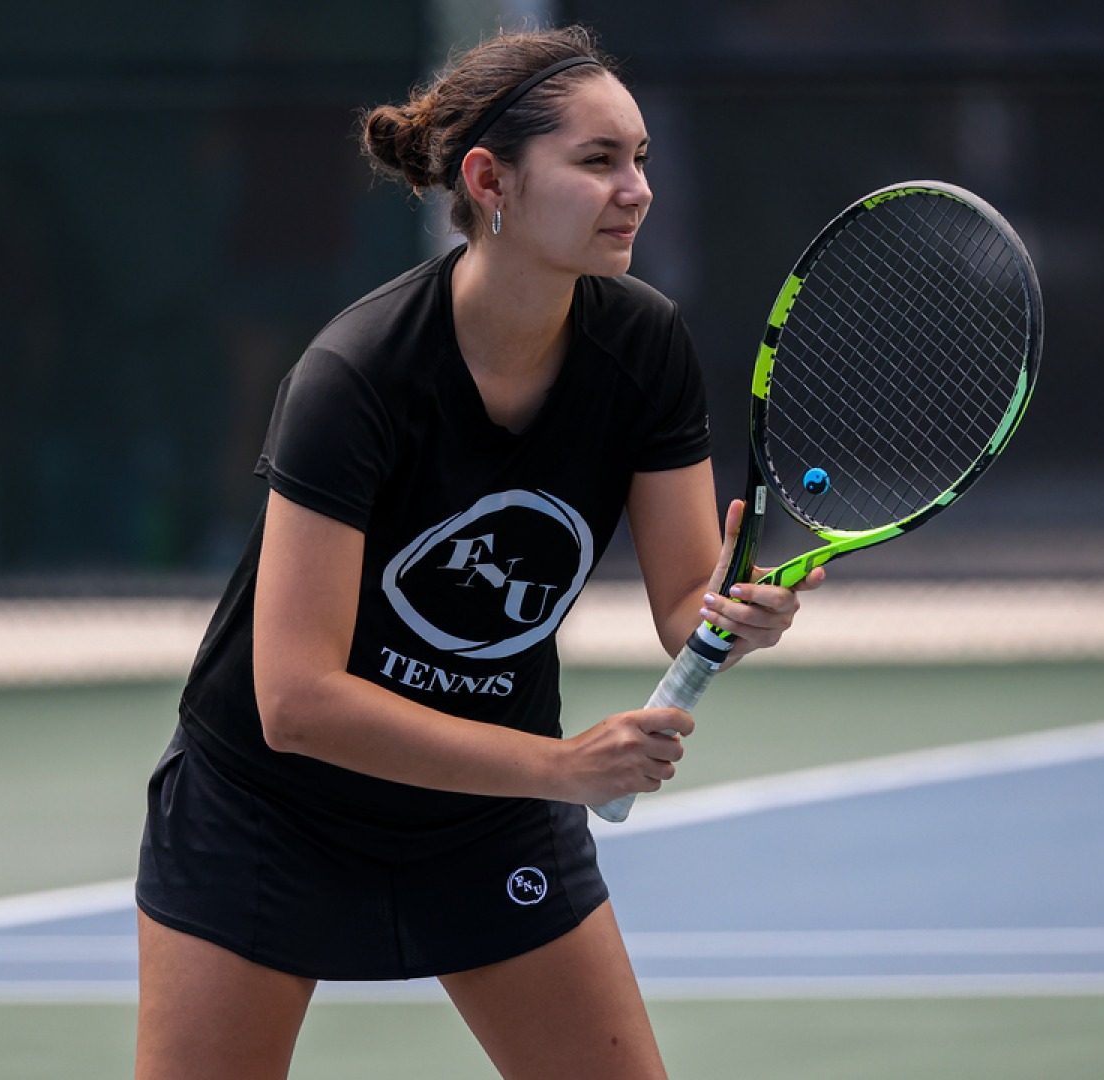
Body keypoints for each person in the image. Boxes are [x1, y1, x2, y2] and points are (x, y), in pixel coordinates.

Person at [135, 25, 823, 1080]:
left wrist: (737, 613)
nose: (635, 188)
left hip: (483, 817)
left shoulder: (644, 347)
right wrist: (559, 768)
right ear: (489, 180)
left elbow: (690, 599)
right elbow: (297, 702)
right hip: (267, 810)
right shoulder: (354, 378)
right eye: (597, 162)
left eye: (640, 158)